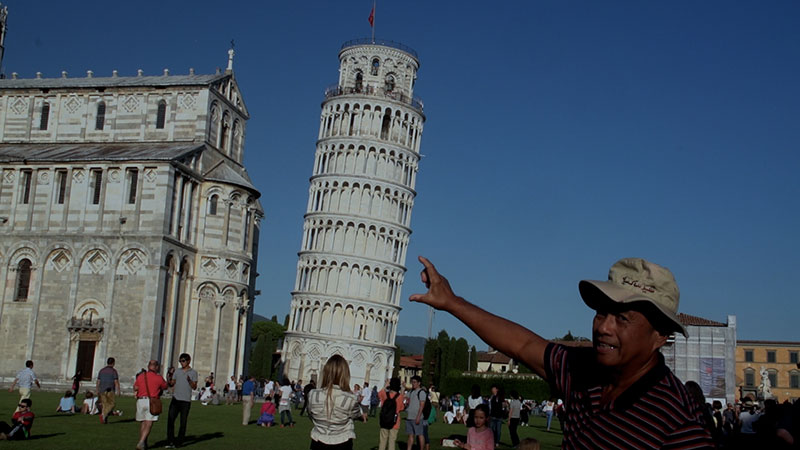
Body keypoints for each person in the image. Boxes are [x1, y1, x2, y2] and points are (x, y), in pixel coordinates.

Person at [410, 256, 714, 448]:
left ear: (660, 336)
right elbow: (524, 345)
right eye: (601, 312)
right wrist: (452, 302)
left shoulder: (679, 425)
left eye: (622, 318)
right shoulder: (584, 369)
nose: (603, 327)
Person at [307, 354, 362, 449]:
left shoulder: (313, 394)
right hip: (342, 442)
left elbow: (310, 414)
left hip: (318, 441)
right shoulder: (350, 399)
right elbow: (356, 415)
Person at [165, 353, 198, 449]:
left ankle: (179, 442)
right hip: (175, 399)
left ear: (188, 361)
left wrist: (189, 381)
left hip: (185, 400)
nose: (181, 363)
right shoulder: (177, 372)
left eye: (183, 361)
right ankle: (170, 440)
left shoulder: (193, 372)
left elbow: (194, 387)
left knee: (183, 423)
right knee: (170, 420)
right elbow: (172, 383)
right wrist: (169, 376)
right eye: (180, 361)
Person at [133, 360, 168, 450]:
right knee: (149, 423)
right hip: (151, 401)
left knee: (143, 423)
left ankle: (144, 442)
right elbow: (165, 386)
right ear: (156, 367)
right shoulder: (158, 378)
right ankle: (141, 442)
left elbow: (135, 387)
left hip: (141, 400)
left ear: (149, 366)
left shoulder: (141, 376)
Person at [378, 377, 405, 450]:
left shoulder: (385, 394)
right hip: (395, 421)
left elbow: (379, 393)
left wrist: (386, 384)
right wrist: (403, 388)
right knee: (392, 441)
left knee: (382, 441)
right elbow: (402, 408)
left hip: (384, 420)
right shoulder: (399, 397)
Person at [405, 375, 427, 450]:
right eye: (412, 382)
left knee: (420, 434)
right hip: (409, 416)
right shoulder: (411, 391)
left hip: (417, 417)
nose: (413, 384)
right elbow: (405, 397)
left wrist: (418, 416)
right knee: (410, 435)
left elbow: (422, 405)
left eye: (414, 382)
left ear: (419, 383)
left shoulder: (421, 392)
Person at [96, 357, 120, 424]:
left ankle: (105, 420)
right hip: (110, 390)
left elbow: (98, 381)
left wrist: (97, 389)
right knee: (111, 404)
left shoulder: (101, 371)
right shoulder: (113, 371)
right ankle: (103, 415)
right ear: (113, 363)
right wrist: (118, 390)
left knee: (105, 405)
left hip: (102, 390)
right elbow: (116, 381)